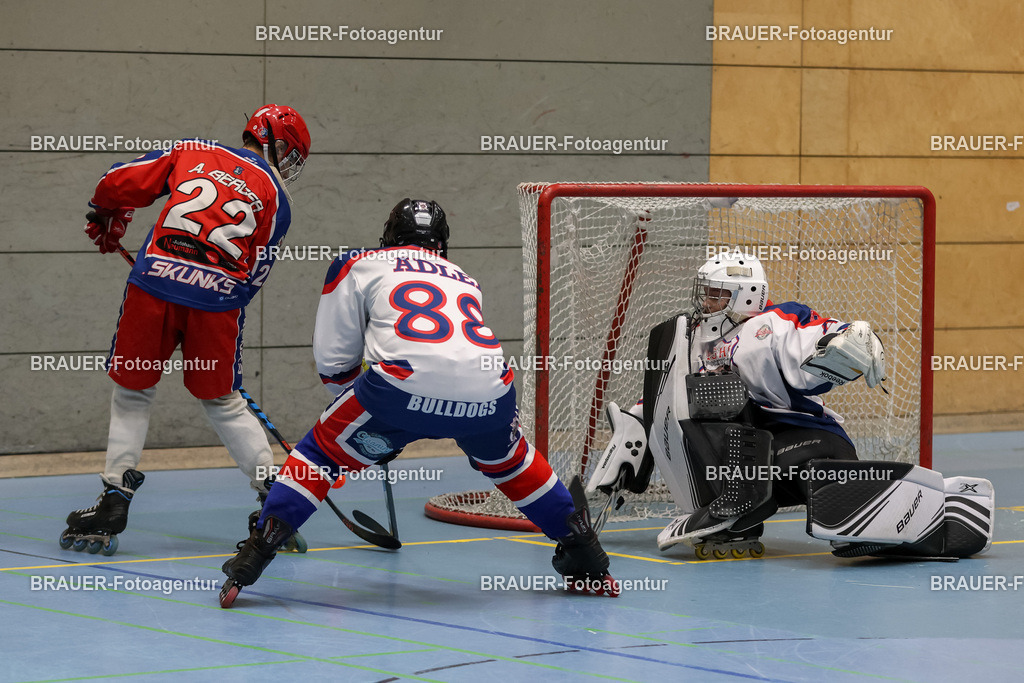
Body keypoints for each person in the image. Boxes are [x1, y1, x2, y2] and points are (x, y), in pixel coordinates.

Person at [219, 198, 618, 607]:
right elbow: (453, 360)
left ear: (389, 236)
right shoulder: (464, 277)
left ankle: (257, 551)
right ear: (441, 243)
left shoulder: (358, 262)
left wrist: (372, 424)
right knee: (512, 462)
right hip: (493, 391)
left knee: (320, 456)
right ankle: (587, 553)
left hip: (399, 389)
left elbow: (335, 362)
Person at [589, 252, 993, 561]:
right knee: (714, 418)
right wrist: (633, 433)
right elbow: (664, 399)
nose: (707, 301)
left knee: (838, 512)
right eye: (706, 292)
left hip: (807, 442)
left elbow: (823, 332)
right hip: (743, 458)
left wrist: (849, 342)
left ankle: (935, 509)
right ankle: (734, 515)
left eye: (717, 293)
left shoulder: (773, 323)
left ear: (745, 296)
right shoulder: (692, 341)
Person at [60, 105, 312, 556]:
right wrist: (215, 308)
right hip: (218, 302)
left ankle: (114, 498)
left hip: (153, 284)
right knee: (224, 402)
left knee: (133, 394)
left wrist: (105, 212)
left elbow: (117, 180)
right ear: (274, 142)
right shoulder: (279, 197)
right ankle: (274, 506)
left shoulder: (195, 151)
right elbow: (256, 274)